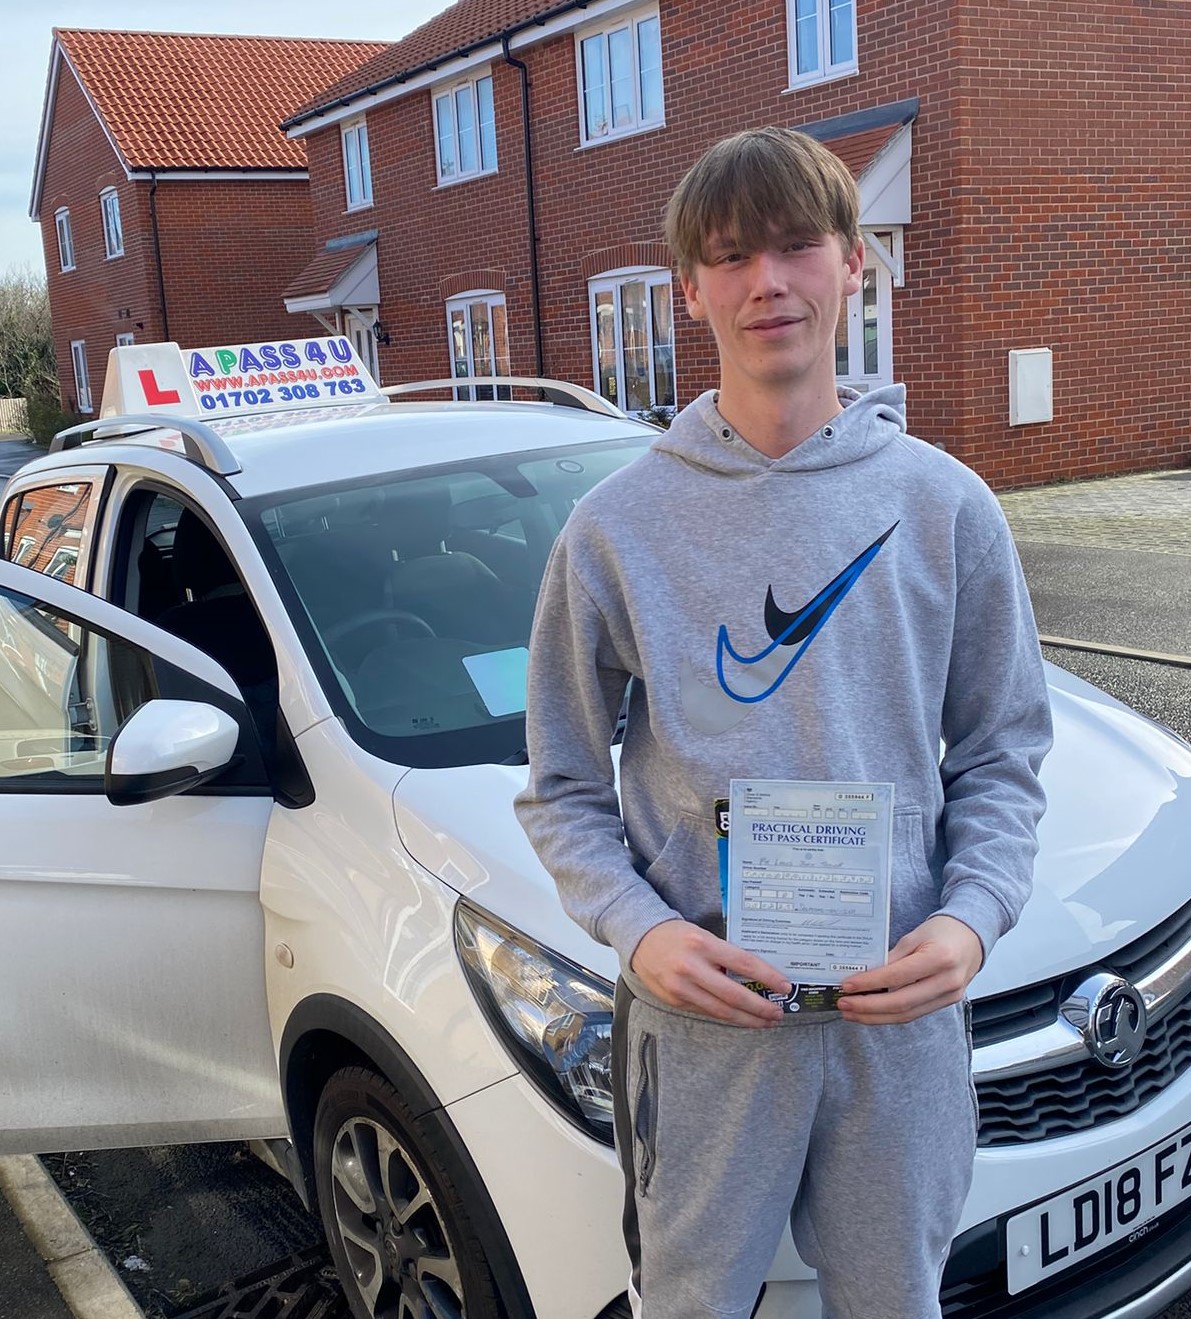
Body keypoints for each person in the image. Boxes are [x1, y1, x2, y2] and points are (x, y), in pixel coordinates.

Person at [515, 126, 1052, 1319]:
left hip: (897, 1030)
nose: (769, 281)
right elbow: (559, 785)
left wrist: (971, 919)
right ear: (687, 289)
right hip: (705, 1035)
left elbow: (1005, 755)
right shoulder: (616, 530)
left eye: (798, 246)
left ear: (855, 264)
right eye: (730, 255)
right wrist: (641, 931)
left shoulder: (947, 507)